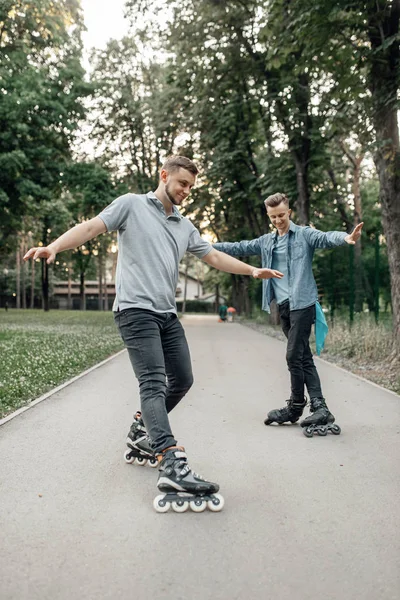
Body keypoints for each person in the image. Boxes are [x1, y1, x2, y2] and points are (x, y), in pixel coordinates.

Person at [24, 156, 283, 511]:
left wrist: (252, 271)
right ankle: (170, 459)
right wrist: (54, 246)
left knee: (183, 379)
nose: (186, 191)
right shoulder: (131, 205)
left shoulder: (183, 225)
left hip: (166, 314)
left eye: (191, 187)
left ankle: (141, 430)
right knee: (153, 382)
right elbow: (91, 227)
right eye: (182, 184)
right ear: (164, 176)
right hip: (134, 311)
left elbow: (214, 257)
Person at [213, 192, 363, 436]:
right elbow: (239, 247)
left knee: (294, 355)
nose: (278, 220)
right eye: (273, 217)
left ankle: (298, 404)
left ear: (289, 212)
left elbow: (325, 238)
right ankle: (314, 406)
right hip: (283, 306)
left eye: (281, 215)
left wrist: (346, 237)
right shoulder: (266, 241)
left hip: (303, 303)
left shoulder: (304, 234)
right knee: (303, 356)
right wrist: (203, 245)